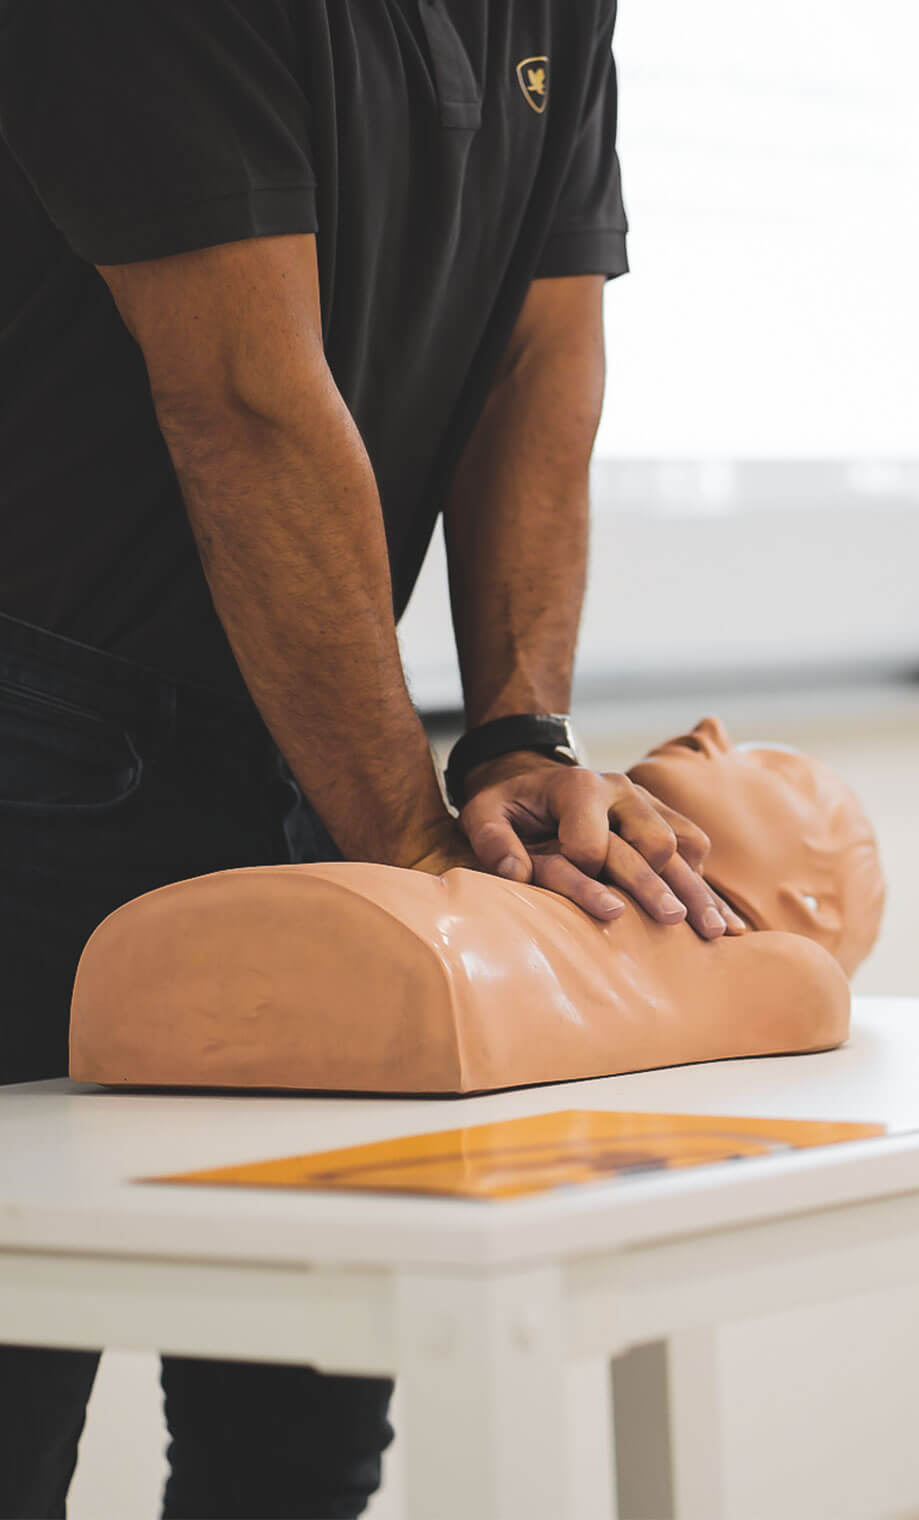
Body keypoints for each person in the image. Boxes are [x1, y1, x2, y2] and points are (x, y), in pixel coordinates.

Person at [0, 3, 742, 1515]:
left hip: (317, 747)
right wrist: (413, 845)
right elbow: (244, 401)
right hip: (39, 744)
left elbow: (544, 355)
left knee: (301, 1435)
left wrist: (519, 728)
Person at [69, 716, 887, 1095]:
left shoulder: (791, 975)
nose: (710, 728)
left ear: (805, 907)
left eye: (770, 769)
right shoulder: (528, 876)